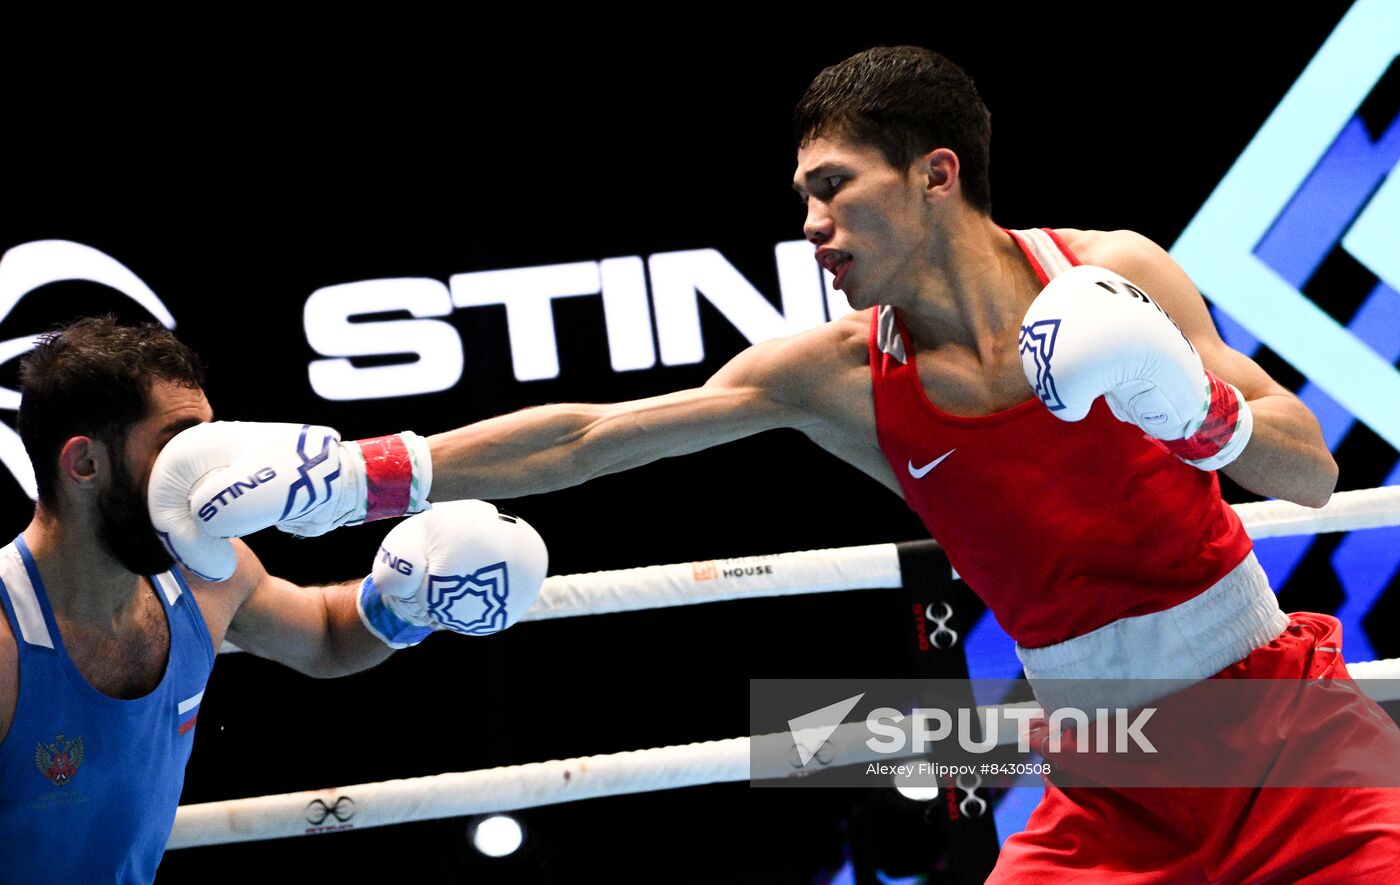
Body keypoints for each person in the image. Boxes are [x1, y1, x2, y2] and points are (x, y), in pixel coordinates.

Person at [154, 47, 1400, 881]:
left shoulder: (1111, 264)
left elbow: (1301, 474)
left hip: (1275, 724)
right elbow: (590, 435)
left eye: (830, 190)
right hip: (1103, 756)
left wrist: (1189, 414)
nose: (809, 228)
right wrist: (369, 473)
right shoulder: (837, 374)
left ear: (934, 175)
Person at [0, 317, 548, 884]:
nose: (204, 471)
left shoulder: (205, 573)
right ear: (85, 464)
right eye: (178, 444)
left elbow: (329, 638)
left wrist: (406, 605)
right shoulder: (5, 645)